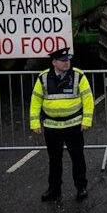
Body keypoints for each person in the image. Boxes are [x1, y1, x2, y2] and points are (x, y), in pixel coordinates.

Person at [30, 47, 94, 202]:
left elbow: (88, 99)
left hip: (73, 125)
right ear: (54, 62)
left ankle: (81, 187)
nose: (66, 63)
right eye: (62, 60)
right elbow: (36, 100)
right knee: (54, 160)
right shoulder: (43, 77)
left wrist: (86, 121)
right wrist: (34, 122)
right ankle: (54, 189)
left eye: (68, 60)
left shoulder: (78, 75)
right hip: (52, 127)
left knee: (77, 157)